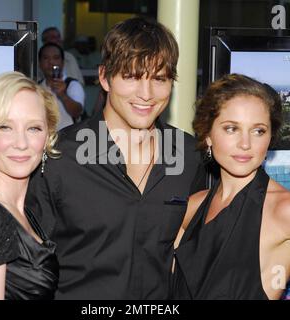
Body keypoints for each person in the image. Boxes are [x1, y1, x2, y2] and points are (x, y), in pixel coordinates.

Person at [26, 17, 206, 300]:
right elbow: (29, 265)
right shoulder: (59, 155)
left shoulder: (188, 155)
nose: (146, 95)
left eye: (159, 79)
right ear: (104, 77)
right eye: (132, 76)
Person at [173, 73, 290, 300]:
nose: (245, 144)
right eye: (231, 128)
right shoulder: (192, 207)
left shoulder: (283, 209)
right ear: (208, 134)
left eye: (258, 131)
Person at [0, 72, 60, 299]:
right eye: (5, 127)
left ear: (47, 136)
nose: (21, 143)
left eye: (34, 128)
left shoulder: (23, 212)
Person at [39, 42, 85, 130]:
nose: (51, 62)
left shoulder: (72, 85)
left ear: (62, 63)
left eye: (55, 58)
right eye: (46, 58)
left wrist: (62, 95)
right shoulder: (37, 87)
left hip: (68, 140)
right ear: (40, 63)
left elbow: (77, 112)